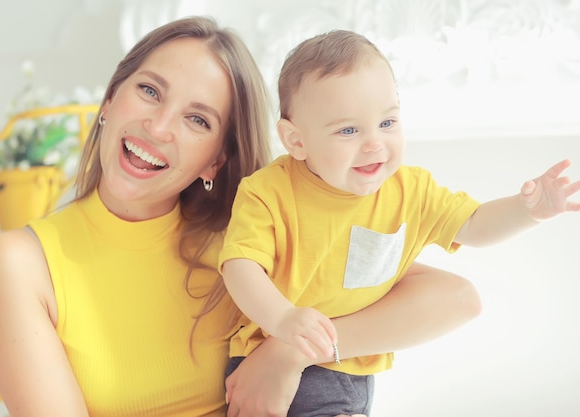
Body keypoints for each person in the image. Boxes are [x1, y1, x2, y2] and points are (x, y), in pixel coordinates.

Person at [0, 16, 481, 417]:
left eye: (198, 119)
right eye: (149, 90)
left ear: (217, 159)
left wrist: (291, 351)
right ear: (109, 101)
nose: (159, 126)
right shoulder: (18, 265)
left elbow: (454, 298)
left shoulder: (248, 244)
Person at [219, 29, 580, 416]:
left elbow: (474, 224)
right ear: (296, 140)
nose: (375, 144)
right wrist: (284, 318)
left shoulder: (410, 189)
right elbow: (241, 267)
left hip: (355, 366)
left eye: (387, 123)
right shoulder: (268, 191)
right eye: (348, 130)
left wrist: (527, 211)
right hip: (275, 365)